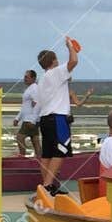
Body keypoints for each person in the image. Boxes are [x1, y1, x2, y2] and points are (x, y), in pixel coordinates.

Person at [35, 38, 81, 195]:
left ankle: (45, 185)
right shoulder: (55, 73)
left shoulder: (42, 80)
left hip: (45, 119)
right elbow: (74, 61)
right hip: (58, 119)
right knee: (60, 151)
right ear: (53, 60)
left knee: (47, 153)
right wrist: (70, 47)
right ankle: (48, 185)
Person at [14, 69, 39, 157]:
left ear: (33, 78)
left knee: (20, 137)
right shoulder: (30, 89)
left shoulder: (34, 88)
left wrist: (33, 120)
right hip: (29, 119)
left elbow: (37, 104)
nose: (24, 79)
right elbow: (25, 106)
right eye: (24, 77)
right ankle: (41, 160)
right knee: (35, 140)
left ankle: (22, 156)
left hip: (30, 119)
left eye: (26, 77)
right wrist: (18, 118)